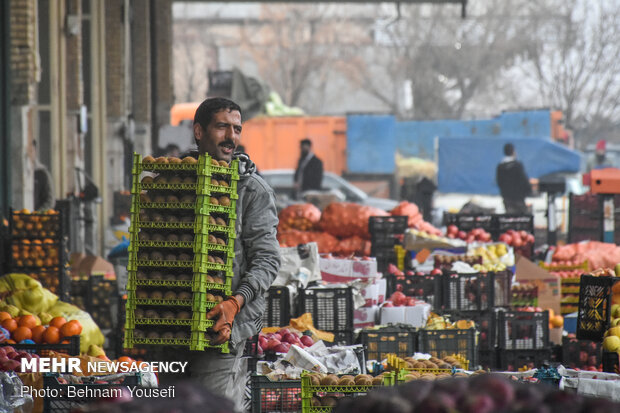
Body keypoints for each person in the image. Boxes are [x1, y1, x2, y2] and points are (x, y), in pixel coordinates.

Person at [184, 97, 280, 408]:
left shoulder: (251, 191)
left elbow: (268, 260)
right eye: (222, 126)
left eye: (236, 128)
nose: (231, 137)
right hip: (173, 331)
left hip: (223, 332)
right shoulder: (176, 180)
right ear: (199, 131)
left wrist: (233, 304)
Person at [496, 143, 531, 214]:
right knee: (522, 217)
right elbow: (524, 180)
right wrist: (528, 191)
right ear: (513, 151)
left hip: (507, 198)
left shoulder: (500, 167)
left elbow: (499, 182)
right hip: (518, 198)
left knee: (510, 217)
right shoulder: (517, 166)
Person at [33, 140, 55, 211]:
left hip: (37, 218)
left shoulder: (42, 174)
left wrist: (38, 213)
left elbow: (50, 200)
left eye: (32, 150)